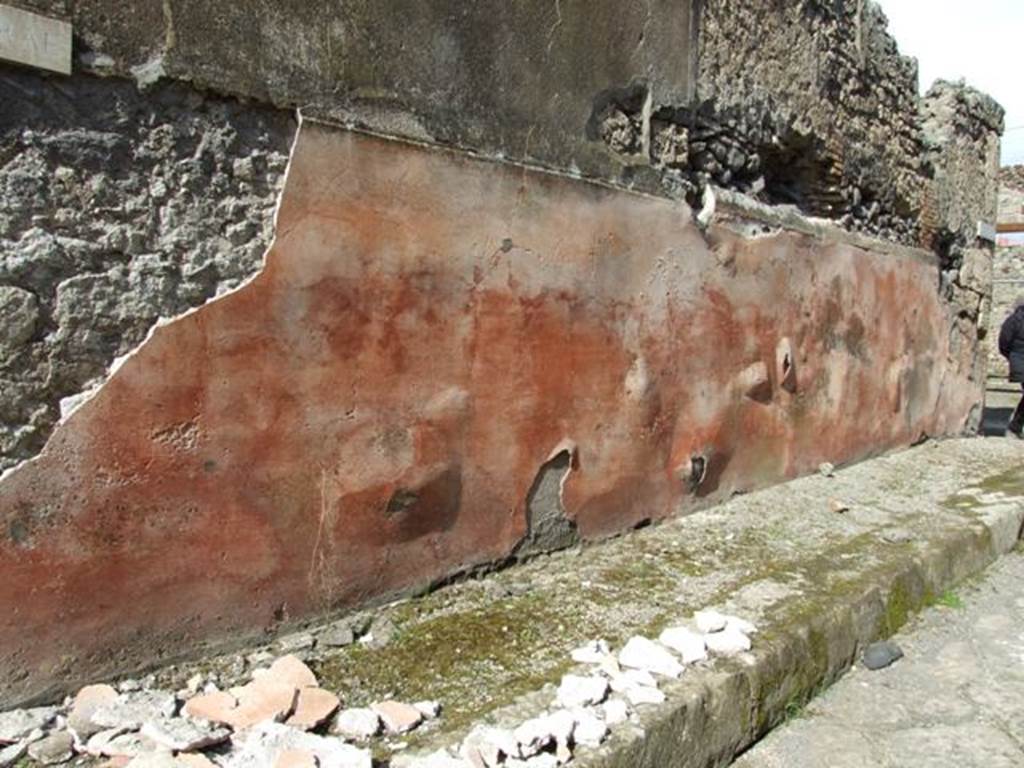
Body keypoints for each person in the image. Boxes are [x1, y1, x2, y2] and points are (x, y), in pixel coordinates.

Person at [998, 296, 1024, 438]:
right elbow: (1004, 342)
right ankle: (1015, 427)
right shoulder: (1014, 321)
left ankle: (1015, 426)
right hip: (1020, 361)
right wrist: (1013, 358)